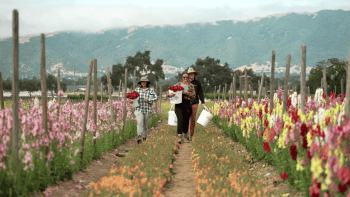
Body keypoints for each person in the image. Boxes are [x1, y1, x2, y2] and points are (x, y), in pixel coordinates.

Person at [168, 71, 195, 144]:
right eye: (184, 77)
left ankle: (185, 135)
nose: (185, 78)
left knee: (186, 120)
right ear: (181, 78)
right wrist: (170, 94)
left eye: (187, 77)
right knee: (180, 119)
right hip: (178, 104)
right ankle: (179, 136)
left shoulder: (191, 86)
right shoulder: (177, 85)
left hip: (187, 104)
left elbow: (193, 95)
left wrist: (186, 93)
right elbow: (170, 92)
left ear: (188, 78)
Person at [129, 77, 158, 144]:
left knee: (145, 124)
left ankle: (144, 137)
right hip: (139, 109)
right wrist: (131, 101)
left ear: (147, 83)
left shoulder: (151, 90)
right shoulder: (137, 90)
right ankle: (139, 136)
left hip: (148, 110)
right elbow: (133, 98)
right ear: (140, 83)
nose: (143, 83)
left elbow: (156, 98)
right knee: (139, 122)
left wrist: (149, 100)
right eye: (142, 82)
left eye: (145, 82)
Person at [188, 68, 206, 141]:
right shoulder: (185, 83)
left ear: (194, 74)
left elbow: (200, 93)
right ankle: (186, 133)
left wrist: (203, 103)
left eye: (192, 73)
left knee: (193, 119)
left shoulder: (197, 83)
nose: (191, 75)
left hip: (195, 103)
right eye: (190, 74)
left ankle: (191, 134)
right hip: (186, 103)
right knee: (186, 119)